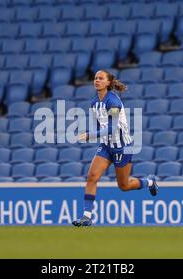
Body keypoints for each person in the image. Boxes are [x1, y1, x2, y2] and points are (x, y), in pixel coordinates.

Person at [72, 70, 158, 227]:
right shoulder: (94, 103)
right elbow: (100, 125)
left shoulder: (113, 102)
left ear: (108, 83)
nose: (97, 80)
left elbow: (111, 129)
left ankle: (149, 182)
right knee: (92, 176)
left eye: (101, 78)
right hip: (106, 146)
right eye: (95, 78)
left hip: (122, 147)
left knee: (123, 186)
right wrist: (95, 133)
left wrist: (90, 135)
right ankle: (86, 216)